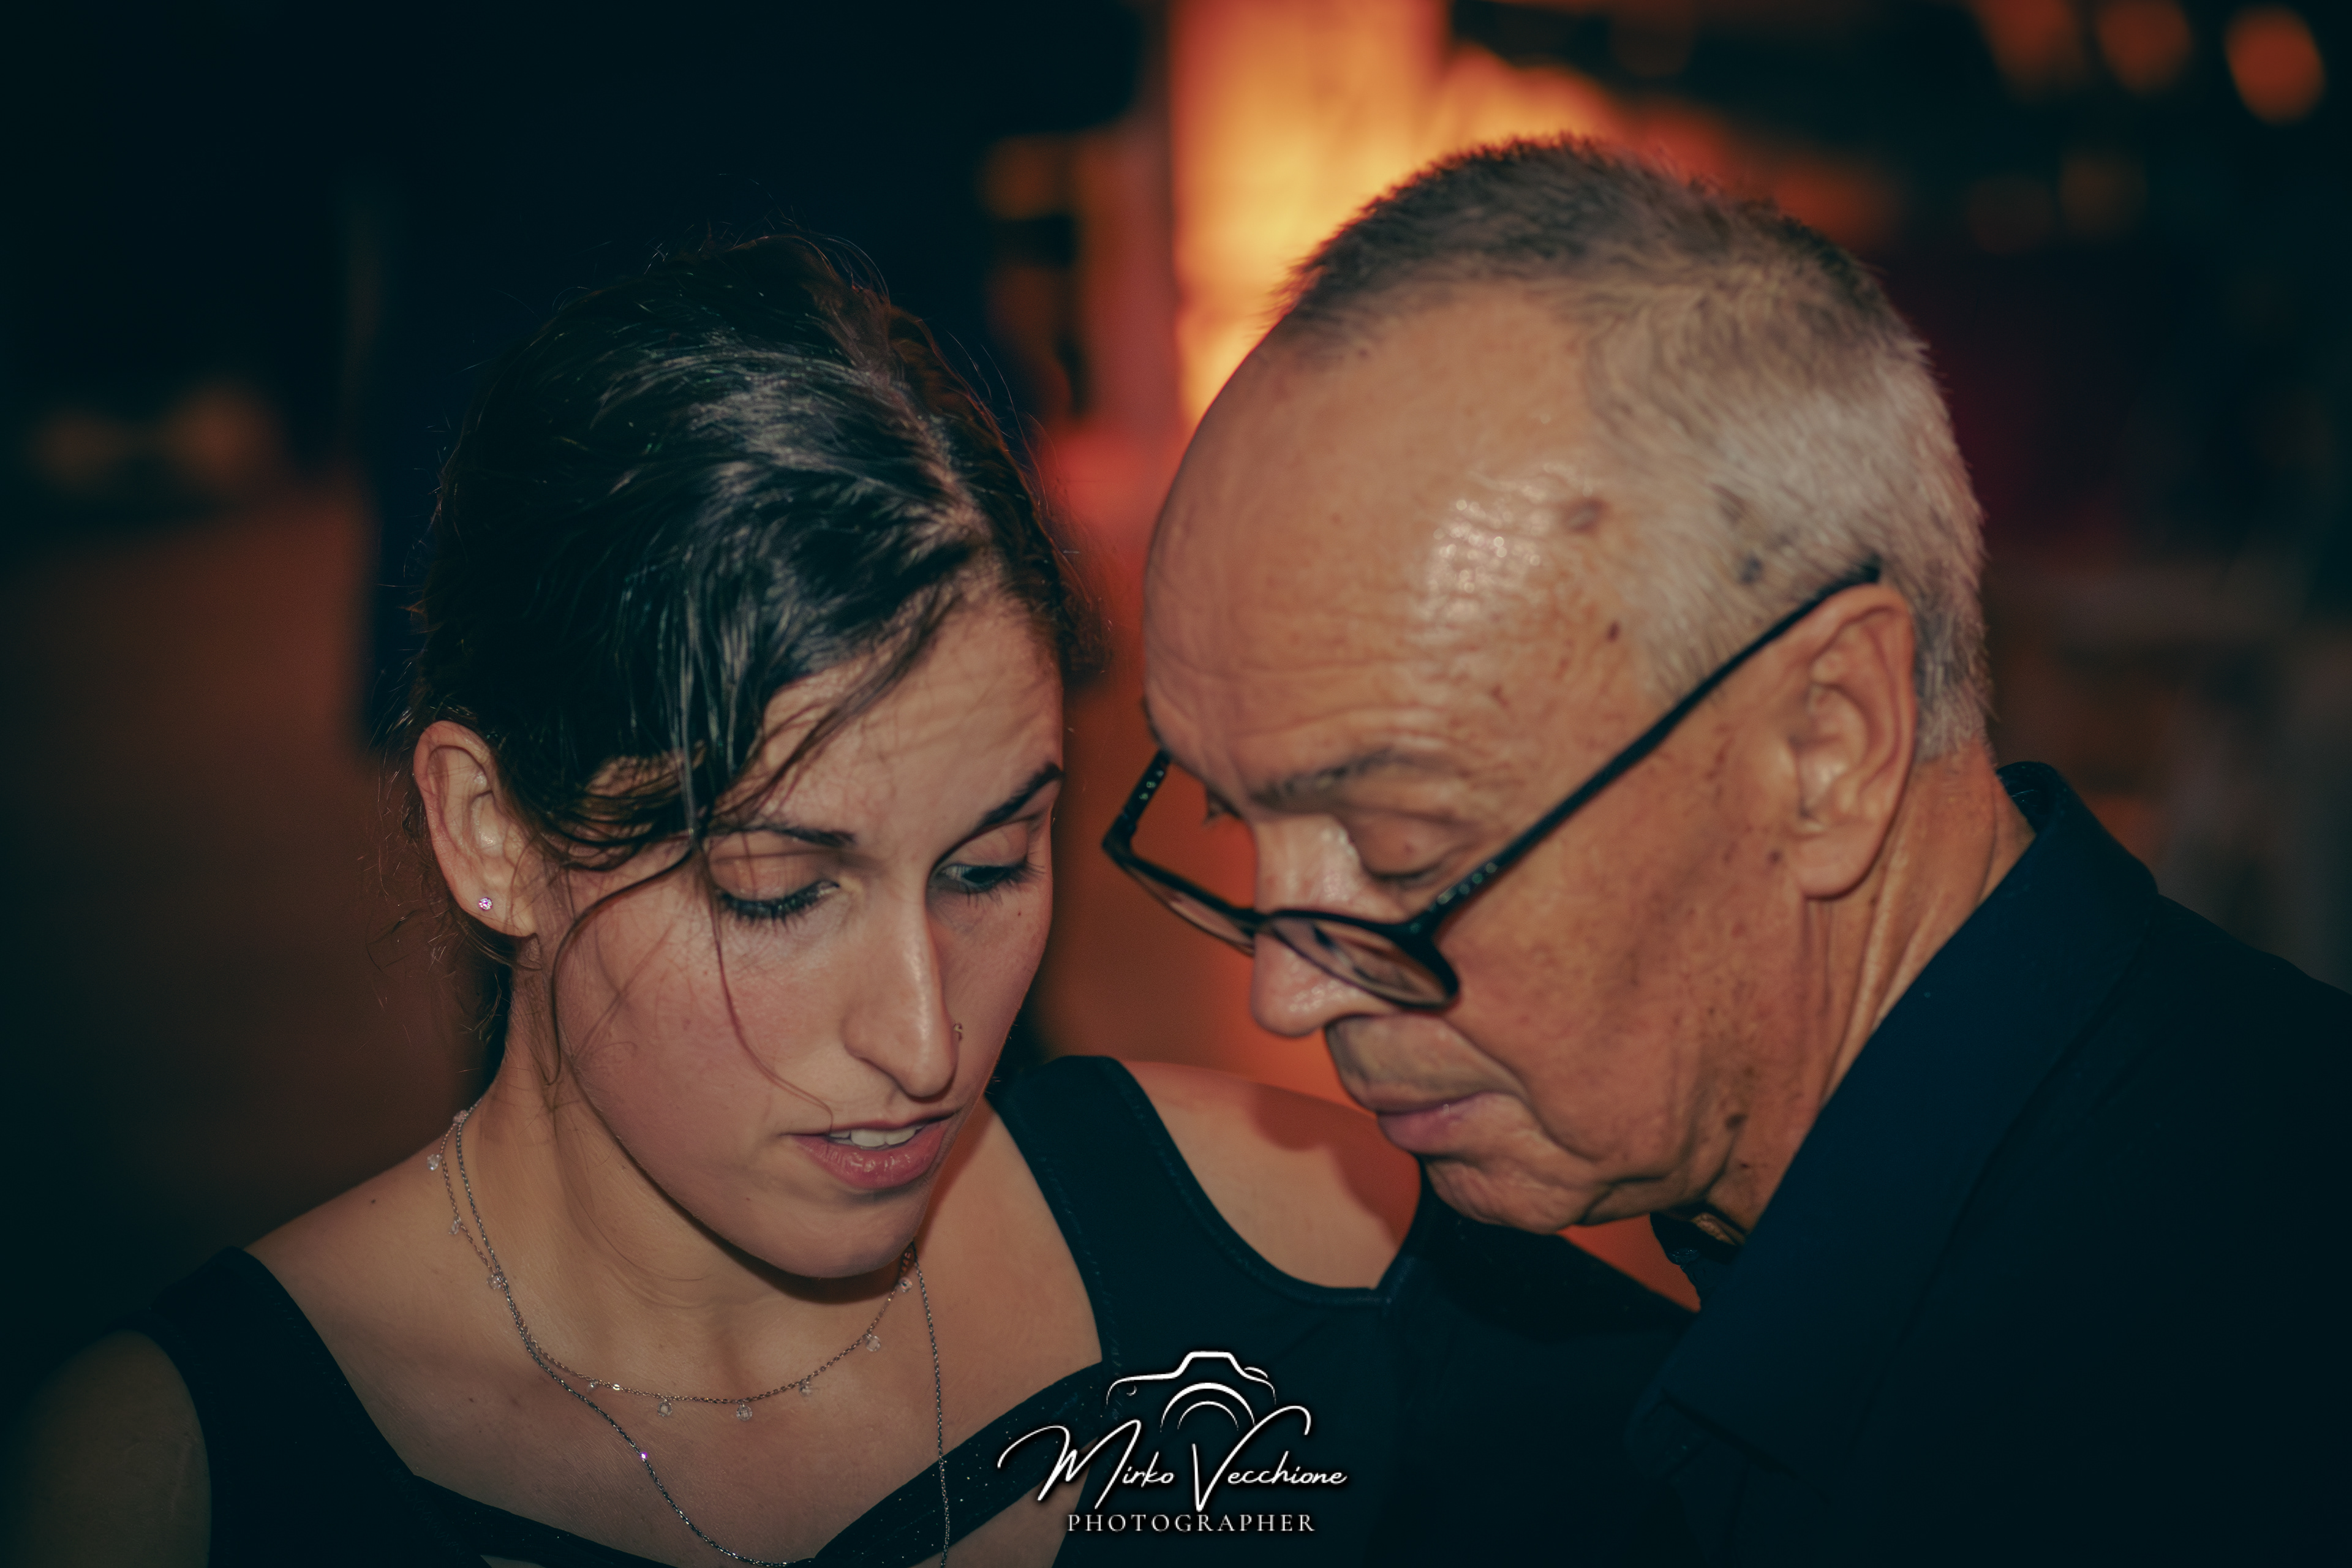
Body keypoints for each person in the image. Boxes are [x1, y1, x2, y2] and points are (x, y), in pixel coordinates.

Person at [2, 237, 1691, 1567]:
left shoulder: (1310, 1258)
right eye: (778, 890)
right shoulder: (184, 1484)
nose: (929, 1037)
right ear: (489, 832)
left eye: (991, 866)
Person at [1130, 139, 2350, 1566]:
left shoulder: (2206, 1423)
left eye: (1404, 847)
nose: (1286, 993)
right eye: (1231, 818)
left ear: (1827, 742)